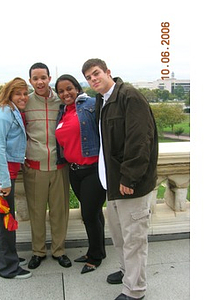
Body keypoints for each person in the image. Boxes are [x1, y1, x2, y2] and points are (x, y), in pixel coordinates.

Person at [82, 59, 158, 300]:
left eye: (96, 74)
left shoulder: (129, 96)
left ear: (108, 72)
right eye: (89, 77)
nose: (93, 79)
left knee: (134, 239)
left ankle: (135, 290)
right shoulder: (102, 101)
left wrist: (130, 178)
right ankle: (127, 273)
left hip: (130, 185)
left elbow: (139, 140)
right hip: (112, 184)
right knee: (119, 235)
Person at [55, 74, 107, 274]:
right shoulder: (63, 112)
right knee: (94, 214)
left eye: (69, 88)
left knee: (88, 215)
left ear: (77, 88)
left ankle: (94, 258)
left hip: (93, 170)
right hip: (74, 171)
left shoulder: (91, 105)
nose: (65, 93)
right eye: (61, 91)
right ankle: (98, 250)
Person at [0, 77, 32, 279]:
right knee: (3, 221)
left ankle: (9, 257)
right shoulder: (4, 113)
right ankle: (8, 268)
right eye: (18, 93)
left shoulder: (10, 110)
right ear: (9, 94)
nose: (22, 97)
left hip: (3, 173)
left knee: (6, 218)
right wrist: (4, 182)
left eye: (24, 93)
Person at [23, 63, 71, 269]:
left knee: (60, 212)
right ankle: (38, 251)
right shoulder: (24, 102)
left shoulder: (61, 101)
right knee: (36, 211)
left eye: (43, 77)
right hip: (34, 167)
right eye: (35, 78)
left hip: (60, 166)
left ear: (49, 78)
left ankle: (59, 251)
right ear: (31, 81)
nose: (39, 82)